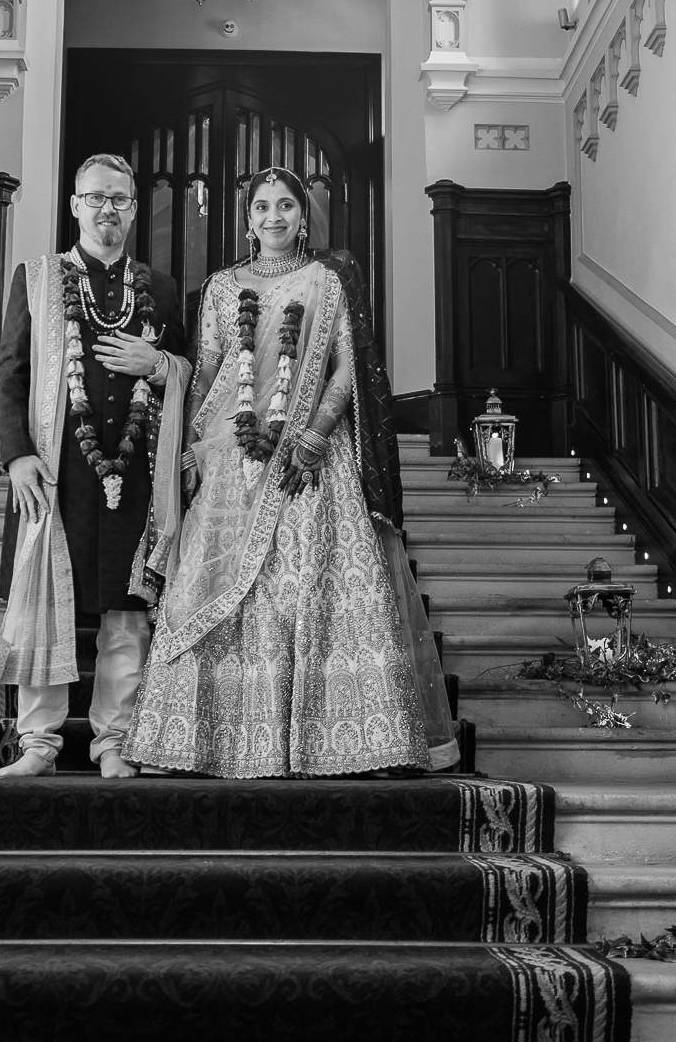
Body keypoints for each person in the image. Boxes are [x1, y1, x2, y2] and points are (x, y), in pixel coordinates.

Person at [124, 167, 458, 778]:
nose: (273, 217)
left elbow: (347, 365)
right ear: (247, 219)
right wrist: (195, 445)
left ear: (304, 217)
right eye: (261, 208)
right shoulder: (223, 288)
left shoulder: (330, 280)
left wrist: (315, 432)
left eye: (285, 206)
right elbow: (210, 371)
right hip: (232, 455)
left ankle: (343, 742)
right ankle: (212, 743)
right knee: (213, 587)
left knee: (307, 589)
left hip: (312, 461)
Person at [0, 154, 189, 779]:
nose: (108, 210)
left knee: (126, 611)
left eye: (121, 200)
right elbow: (9, 372)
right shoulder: (38, 277)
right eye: (96, 197)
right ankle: (38, 746)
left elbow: (192, 377)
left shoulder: (158, 290)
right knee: (43, 605)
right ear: (74, 204)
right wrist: (17, 455)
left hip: (136, 477)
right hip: (55, 471)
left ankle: (114, 742)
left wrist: (155, 362)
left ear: (134, 208)